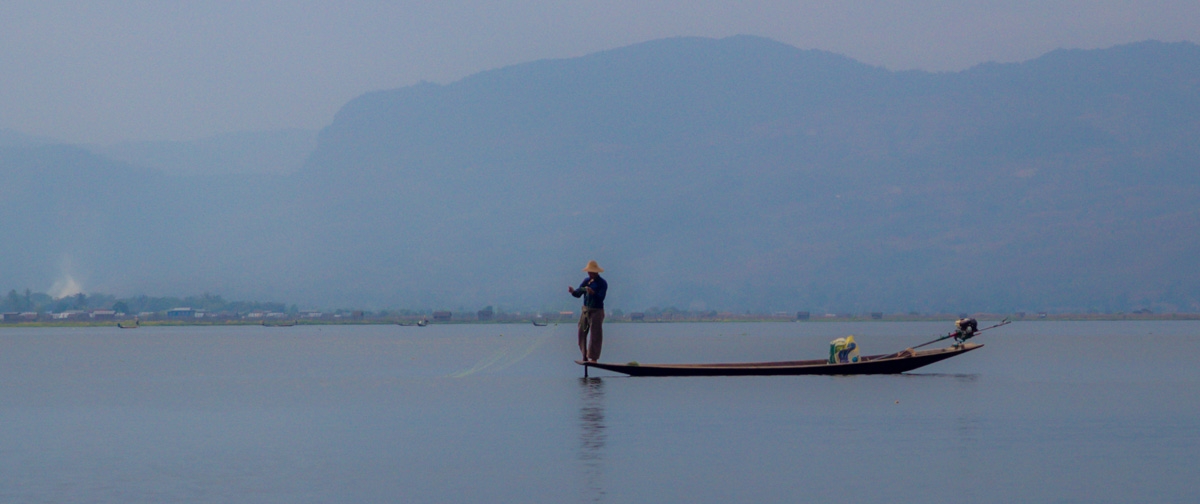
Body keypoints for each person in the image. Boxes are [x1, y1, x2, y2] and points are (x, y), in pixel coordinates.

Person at [569, 260, 608, 362]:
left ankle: (593, 357)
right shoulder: (586, 281)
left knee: (595, 334)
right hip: (585, 310)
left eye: (592, 272)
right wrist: (573, 292)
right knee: (581, 332)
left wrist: (593, 293)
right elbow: (578, 293)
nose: (590, 274)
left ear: (596, 272)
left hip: (597, 311)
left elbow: (601, 298)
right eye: (589, 272)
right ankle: (584, 355)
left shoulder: (602, 283)